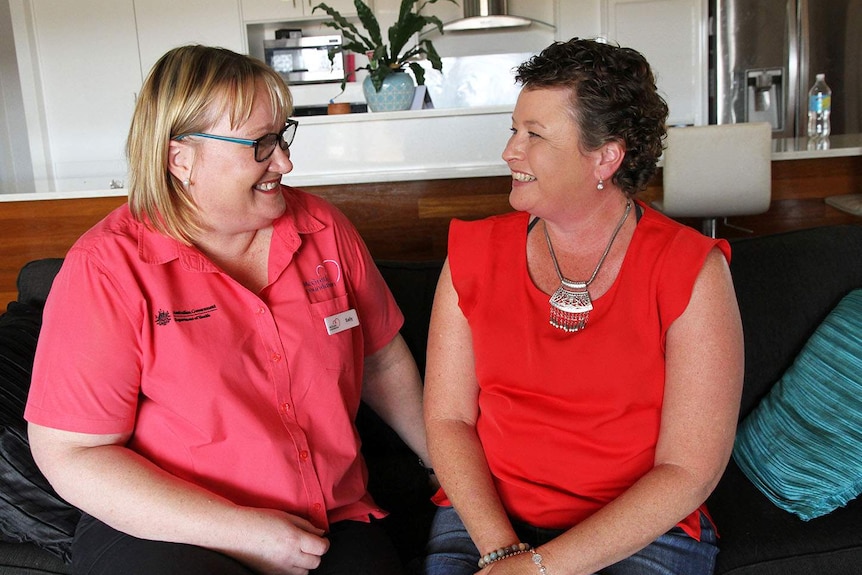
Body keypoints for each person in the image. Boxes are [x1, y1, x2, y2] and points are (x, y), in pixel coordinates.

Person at [25, 45, 432, 575]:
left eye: (283, 137)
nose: (285, 162)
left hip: (329, 516)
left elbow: (380, 360)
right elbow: (72, 454)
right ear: (182, 160)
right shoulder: (107, 269)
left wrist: (443, 462)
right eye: (260, 145)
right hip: (169, 529)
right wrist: (243, 531)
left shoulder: (324, 229)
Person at [423, 38, 744, 575]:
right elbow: (449, 419)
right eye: (513, 130)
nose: (510, 151)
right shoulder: (472, 255)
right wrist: (504, 553)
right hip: (487, 517)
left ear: (605, 156)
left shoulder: (692, 268)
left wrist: (538, 568)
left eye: (535, 135)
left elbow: (688, 470)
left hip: (638, 530)